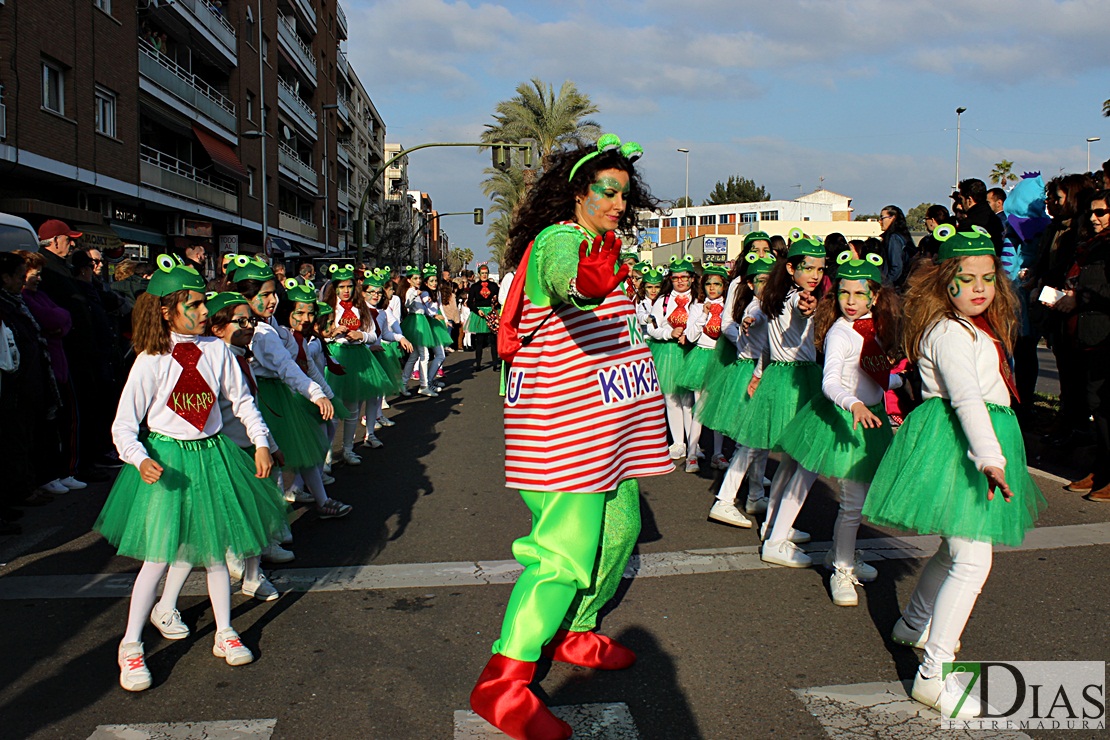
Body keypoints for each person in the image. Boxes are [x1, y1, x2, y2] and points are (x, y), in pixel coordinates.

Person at [469, 134, 672, 740]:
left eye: (623, 195)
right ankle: (502, 684)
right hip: (565, 438)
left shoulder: (604, 241)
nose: (617, 203)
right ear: (577, 192)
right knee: (560, 556)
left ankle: (573, 631)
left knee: (621, 531)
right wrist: (589, 275)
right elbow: (567, 280)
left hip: (608, 434)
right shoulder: (563, 239)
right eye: (607, 192)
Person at [862, 225, 1045, 717]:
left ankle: (912, 624)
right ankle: (933, 673)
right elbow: (965, 398)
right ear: (946, 282)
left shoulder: (970, 327)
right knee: (972, 560)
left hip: (969, 439)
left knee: (955, 548)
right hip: (960, 444)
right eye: (967, 278)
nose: (980, 287)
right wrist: (990, 457)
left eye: (988, 277)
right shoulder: (949, 332)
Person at [93, 256, 290, 691]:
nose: (205, 312)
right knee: (159, 557)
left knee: (218, 548)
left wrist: (259, 441)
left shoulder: (217, 350)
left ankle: (224, 631)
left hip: (213, 455)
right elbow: (124, 423)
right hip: (169, 461)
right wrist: (137, 456)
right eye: (195, 305)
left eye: (204, 304)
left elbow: (241, 402)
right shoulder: (150, 358)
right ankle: (130, 645)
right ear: (167, 310)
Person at [774, 252, 901, 605]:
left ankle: (840, 554)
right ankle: (841, 568)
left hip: (870, 420)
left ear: (874, 296)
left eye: (859, 294)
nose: (850, 301)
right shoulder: (841, 334)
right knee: (852, 502)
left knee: (857, 502)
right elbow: (831, 382)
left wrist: (898, 380)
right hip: (845, 421)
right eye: (844, 293)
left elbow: (872, 376)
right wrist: (854, 403)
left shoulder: (871, 328)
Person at [226, 255, 349, 520]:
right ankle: (275, 527)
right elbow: (285, 365)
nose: (272, 301)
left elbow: (295, 361)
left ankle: (301, 510)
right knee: (271, 462)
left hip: (278, 393)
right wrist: (315, 392)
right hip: (263, 396)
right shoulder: (259, 332)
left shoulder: (271, 327)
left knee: (289, 453)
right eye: (264, 294)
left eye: (274, 294)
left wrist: (320, 391)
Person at [733, 230, 826, 566]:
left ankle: (774, 525)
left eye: (820, 269)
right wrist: (806, 307)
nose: (815, 276)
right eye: (808, 268)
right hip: (795, 380)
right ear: (791, 269)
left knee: (790, 458)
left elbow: (769, 344)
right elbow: (798, 313)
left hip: (780, 375)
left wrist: (759, 373)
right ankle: (776, 535)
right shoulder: (792, 298)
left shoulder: (774, 295)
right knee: (804, 459)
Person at [704, 254, 776, 526]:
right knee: (749, 441)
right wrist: (749, 324)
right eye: (761, 280)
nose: (767, 285)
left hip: (758, 371)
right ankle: (725, 499)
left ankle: (756, 493)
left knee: (760, 441)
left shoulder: (764, 305)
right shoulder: (756, 309)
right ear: (749, 283)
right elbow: (751, 321)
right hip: (751, 372)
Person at [1056, 190, 1110, 501]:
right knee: (1096, 403)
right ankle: (1101, 469)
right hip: (1089, 333)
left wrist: (1080, 296)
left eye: (1101, 212)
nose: (1093, 217)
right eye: (1091, 212)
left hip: (1105, 333)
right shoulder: (1092, 244)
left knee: (1104, 405)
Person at [321, 264, 392, 464]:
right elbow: (319, 336)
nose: (346, 291)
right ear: (334, 288)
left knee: (353, 409)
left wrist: (360, 335)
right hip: (336, 356)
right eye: (341, 286)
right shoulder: (327, 309)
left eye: (349, 286)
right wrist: (333, 333)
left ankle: (348, 449)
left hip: (358, 357)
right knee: (333, 410)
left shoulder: (360, 308)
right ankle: (326, 456)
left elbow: (372, 335)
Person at [675, 264, 729, 473]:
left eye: (717, 284)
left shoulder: (729, 305)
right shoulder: (698, 306)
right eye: (708, 284)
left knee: (718, 409)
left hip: (721, 358)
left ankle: (718, 453)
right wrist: (703, 315)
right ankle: (691, 454)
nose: (712, 288)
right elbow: (690, 336)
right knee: (700, 407)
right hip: (701, 356)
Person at [647, 254, 698, 461]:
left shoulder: (698, 299)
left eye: (684, 277)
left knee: (689, 400)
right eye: (676, 278)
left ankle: (693, 442)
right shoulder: (663, 300)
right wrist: (669, 333)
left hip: (691, 352)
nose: (680, 281)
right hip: (668, 352)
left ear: (692, 278)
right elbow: (652, 327)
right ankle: (678, 442)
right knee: (671, 398)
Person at [399, 265, 449, 397]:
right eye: (415, 278)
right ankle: (424, 385)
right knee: (424, 355)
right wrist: (415, 294)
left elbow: (425, 309)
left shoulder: (418, 291)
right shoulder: (411, 291)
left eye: (419, 278)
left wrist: (434, 315)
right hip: (415, 322)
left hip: (421, 321)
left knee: (414, 356)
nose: (418, 280)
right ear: (409, 280)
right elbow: (407, 304)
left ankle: (403, 383)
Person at [466, 264, 501, 371]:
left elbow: (499, 300)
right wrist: (477, 311)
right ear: (479, 274)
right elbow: (470, 303)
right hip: (479, 315)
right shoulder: (474, 287)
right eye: (482, 273)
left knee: (493, 340)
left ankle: (495, 364)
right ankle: (478, 364)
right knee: (479, 341)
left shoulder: (494, 286)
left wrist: (495, 307)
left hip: (492, 314)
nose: (484, 275)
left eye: (486, 273)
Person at [957, 178, 1004, 255]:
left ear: (969, 199)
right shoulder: (995, 219)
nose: (960, 203)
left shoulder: (969, 223)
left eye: (961, 199)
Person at [878, 205, 915, 287]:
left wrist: (885, 285)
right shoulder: (904, 237)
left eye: (882, 218)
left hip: (895, 286)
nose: (879, 221)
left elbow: (896, 267)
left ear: (892, 218)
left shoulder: (894, 238)